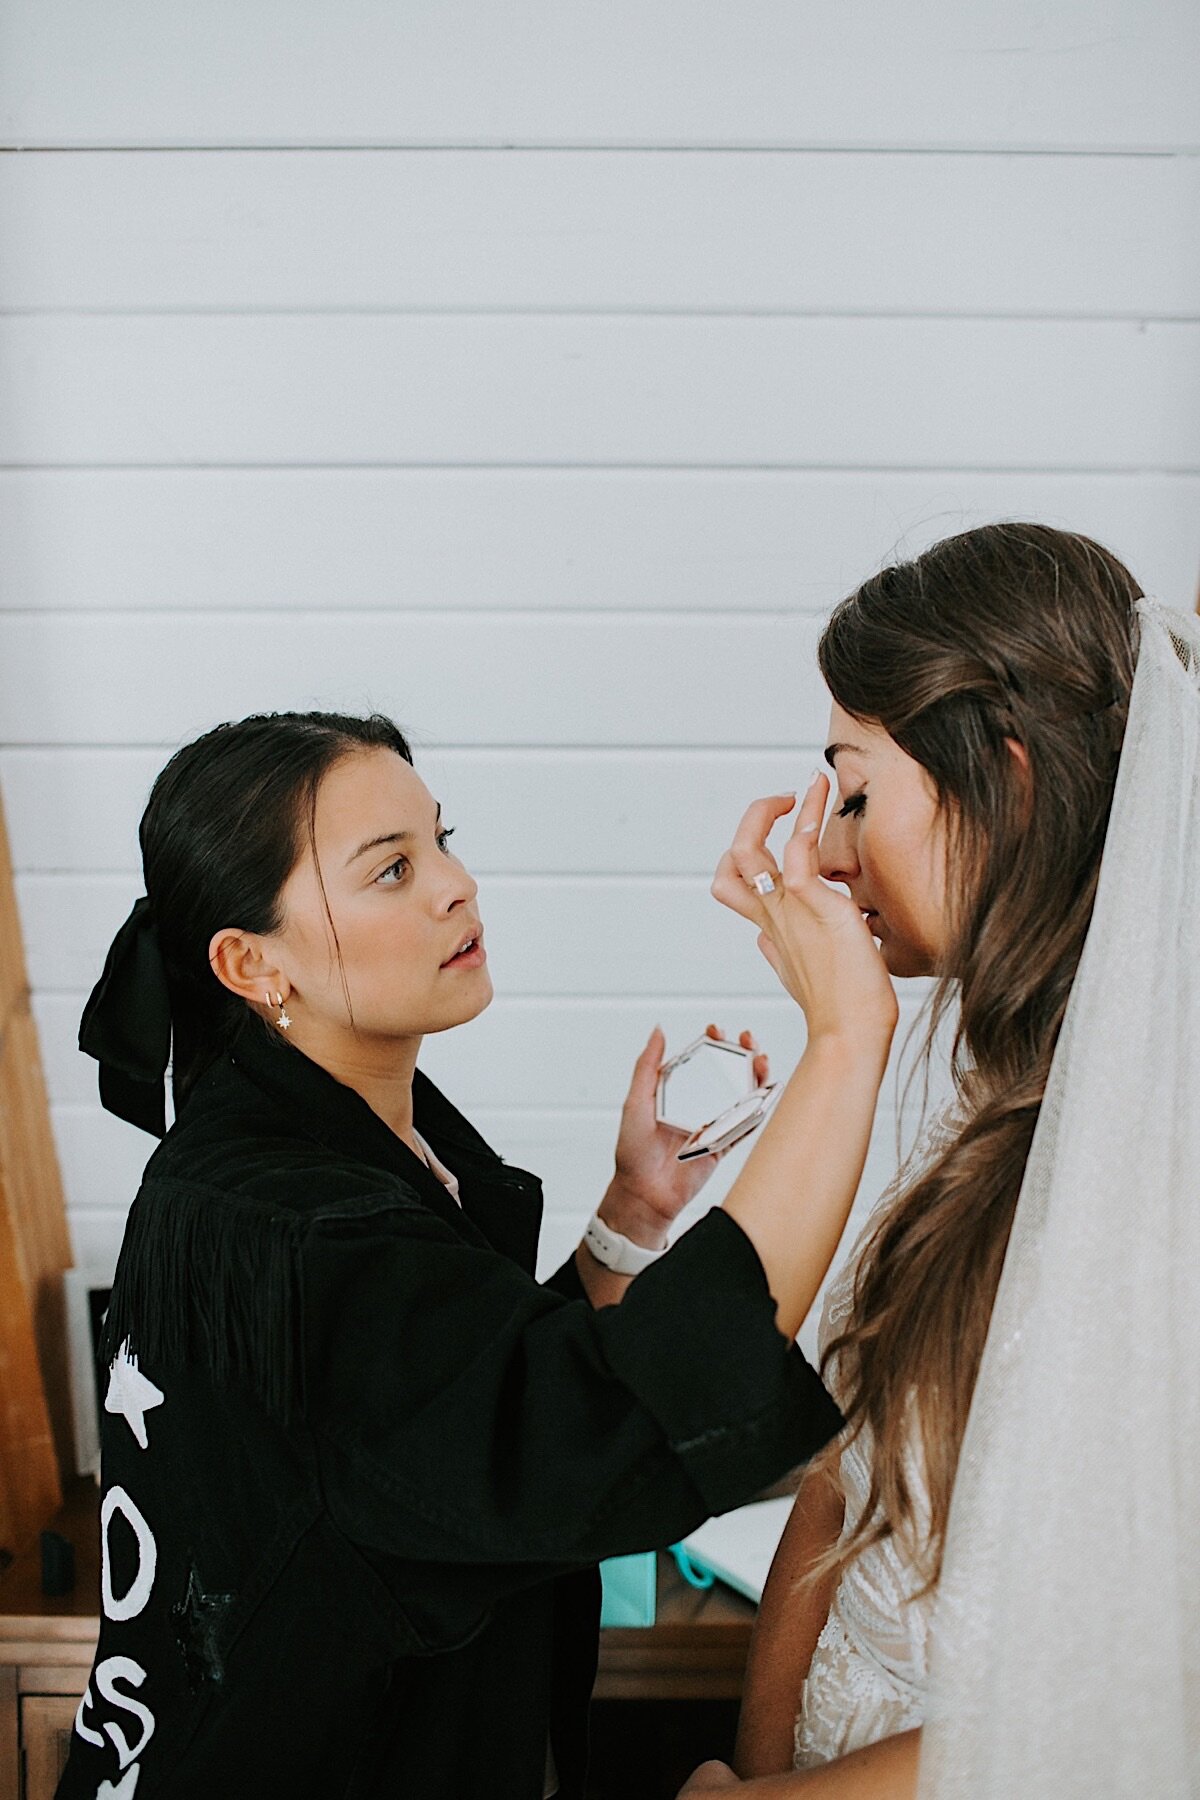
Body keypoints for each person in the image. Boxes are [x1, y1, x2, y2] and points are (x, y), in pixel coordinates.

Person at [58, 707, 897, 1800]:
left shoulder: (318, 1148)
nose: (454, 885)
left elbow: (455, 1420)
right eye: (391, 869)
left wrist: (630, 1217)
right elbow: (587, 1442)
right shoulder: (291, 1225)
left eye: (443, 840)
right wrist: (846, 1039)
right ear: (251, 964)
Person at [678, 523, 1200, 1797]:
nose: (829, 848)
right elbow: (836, 1489)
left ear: (1007, 787)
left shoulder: (1151, 1173)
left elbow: (1100, 1717)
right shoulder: (993, 1098)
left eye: (855, 791)